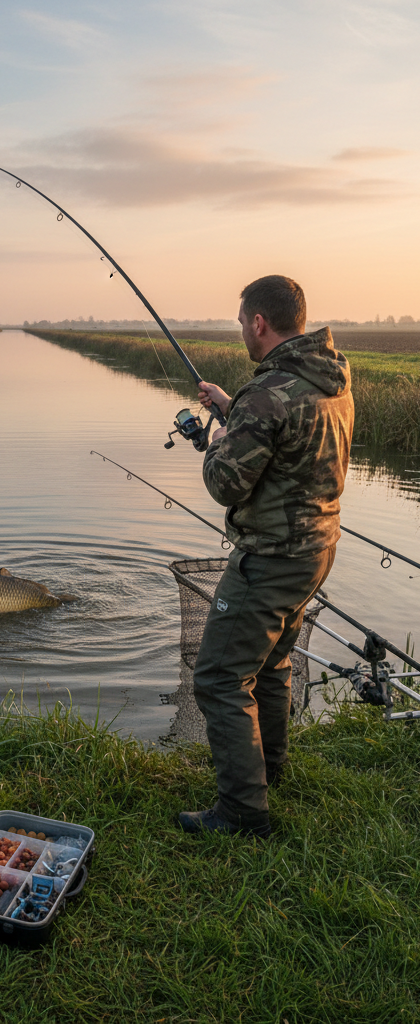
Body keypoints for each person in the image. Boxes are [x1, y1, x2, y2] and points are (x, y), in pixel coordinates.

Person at [178, 275, 354, 839]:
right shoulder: (330, 381)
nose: (240, 333)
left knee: (220, 678)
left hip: (270, 559)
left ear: (259, 322)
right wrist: (233, 409)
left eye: (241, 323)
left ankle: (243, 813)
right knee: (273, 663)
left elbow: (226, 483)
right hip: (317, 551)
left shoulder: (267, 394)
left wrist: (214, 443)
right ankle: (266, 770)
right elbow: (291, 444)